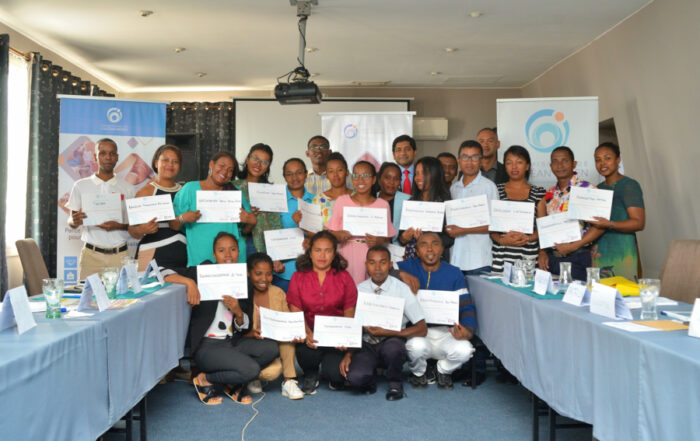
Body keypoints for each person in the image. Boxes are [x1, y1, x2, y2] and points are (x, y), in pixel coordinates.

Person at [162, 232, 279, 405]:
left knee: (271, 349)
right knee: (251, 370)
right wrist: (190, 283)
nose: (228, 255)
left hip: (232, 341)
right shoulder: (202, 273)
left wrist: (238, 312)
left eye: (233, 249)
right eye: (222, 250)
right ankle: (205, 379)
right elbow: (162, 272)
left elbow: (245, 328)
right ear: (214, 254)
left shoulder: (243, 281)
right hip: (208, 346)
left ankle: (231, 381)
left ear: (239, 252)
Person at [343, 246, 427, 401]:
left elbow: (422, 329)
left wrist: (388, 332)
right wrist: (349, 354)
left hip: (392, 341)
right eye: (372, 263)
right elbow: (352, 325)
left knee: (393, 349)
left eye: (382, 263)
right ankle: (370, 377)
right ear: (366, 265)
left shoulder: (402, 289)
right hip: (367, 343)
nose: (377, 268)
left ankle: (395, 383)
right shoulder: (359, 290)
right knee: (355, 379)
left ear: (390, 264)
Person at [397, 232, 476, 390]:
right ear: (417, 251)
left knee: (465, 350)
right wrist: (399, 273)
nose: (430, 249)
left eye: (435, 244)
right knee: (415, 347)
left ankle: (442, 370)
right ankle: (419, 372)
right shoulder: (407, 267)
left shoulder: (454, 273)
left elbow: (466, 306)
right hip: (419, 332)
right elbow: (382, 269)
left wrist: (468, 329)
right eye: (423, 245)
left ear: (442, 249)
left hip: (447, 332)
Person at [286, 231, 358, 395]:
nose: (322, 255)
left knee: (336, 377)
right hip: (310, 333)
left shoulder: (344, 277)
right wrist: (306, 332)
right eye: (318, 250)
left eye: (328, 251)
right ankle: (311, 374)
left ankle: (328, 369)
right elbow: (295, 309)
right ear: (310, 252)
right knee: (305, 352)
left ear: (334, 254)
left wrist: (345, 336)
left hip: (335, 335)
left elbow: (349, 310)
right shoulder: (298, 276)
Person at [66, 138, 135, 280]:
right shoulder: (80, 185)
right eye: (103, 153)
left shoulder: (128, 188)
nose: (108, 157)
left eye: (112, 153)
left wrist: (118, 226)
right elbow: (72, 222)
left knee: (122, 294)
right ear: (95, 157)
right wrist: (74, 221)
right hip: (91, 256)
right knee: (88, 294)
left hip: (120, 256)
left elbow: (135, 226)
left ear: (117, 157)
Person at [172, 151, 256, 266]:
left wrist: (251, 222)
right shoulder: (190, 189)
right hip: (200, 258)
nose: (225, 172)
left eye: (230, 170)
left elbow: (244, 231)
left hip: (232, 260)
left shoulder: (235, 191)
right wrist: (183, 218)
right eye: (222, 166)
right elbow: (173, 225)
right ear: (211, 164)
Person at [537, 146, 605, 281]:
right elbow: (543, 227)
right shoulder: (549, 194)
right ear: (550, 166)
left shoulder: (587, 189)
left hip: (577, 258)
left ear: (574, 164)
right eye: (555, 161)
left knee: (575, 294)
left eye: (565, 160)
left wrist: (574, 246)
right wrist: (542, 251)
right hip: (552, 259)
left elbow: (600, 226)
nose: (560, 165)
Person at [246, 252, 305, 400]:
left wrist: (294, 333)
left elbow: (287, 321)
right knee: (272, 371)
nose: (264, 279)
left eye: (268, 274)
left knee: (287, 342)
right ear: (248, 273)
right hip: (250, 346)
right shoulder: (243, 294)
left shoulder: (278, 292)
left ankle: (289, 381)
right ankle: (251, 375)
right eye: (258, 274)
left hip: (274, 343)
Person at [325, 161, 396, 284]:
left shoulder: (383, 205)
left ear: (374, 179)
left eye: (366, 176)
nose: (360, 180)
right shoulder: (342, 201)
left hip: (374, 256)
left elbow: (387, 238)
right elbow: (330, 234)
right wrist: (337, 235)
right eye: (356, 176)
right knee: (347, 289)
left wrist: (379, 241)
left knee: (372, 290)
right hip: (346, 254)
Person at [589, 142, 645, 280]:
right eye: (598, 160)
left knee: (622, 291)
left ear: (618, 159)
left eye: (607, 158)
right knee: (599, 292)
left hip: (621, 250)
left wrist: (609, 224)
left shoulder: (629, 185)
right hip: (599, 251)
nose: (602, 163)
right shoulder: (597, 189)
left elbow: (639, 223)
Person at [128, 145, 188, 271]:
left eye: (175, 161)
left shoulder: (185, 192)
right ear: (156, 163)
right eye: (165, 160)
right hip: (151, 255)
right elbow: (132, 231)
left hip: (182, 255)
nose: (170, 164)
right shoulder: (145, 192)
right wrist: (141, 229)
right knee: (149, 284)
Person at [446, 140, 499, 278]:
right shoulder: (453, 189)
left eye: (474, 157)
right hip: (455, 258)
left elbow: (495, 224)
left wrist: (463, 230)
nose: (469, 162)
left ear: (481, 161)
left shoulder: (489, 187)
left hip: (479, 260)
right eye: (465, 157)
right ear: (459, 160)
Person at [490, 145, 546, 273]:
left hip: (528, 257)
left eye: (519, 162)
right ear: (505, 166)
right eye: (509, 163)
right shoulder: (496, 190)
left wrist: (528, 238)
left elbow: (543, 229)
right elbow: (490, 227)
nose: (514, 167)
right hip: (501, 257)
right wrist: (501, 240)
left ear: (527, 166)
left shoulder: (538, 192)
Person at [272, 158, 316, 291]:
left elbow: (322, 234)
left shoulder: (316, 200)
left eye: (299, 172)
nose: (294, 178)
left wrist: (310, 237)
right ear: (284, 176)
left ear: (306, 174)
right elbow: (267, 231)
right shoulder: (275, 199)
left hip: (311, 270)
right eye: (289, 174)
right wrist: (272, 258)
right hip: (282, 271)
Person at [398, 156, 453, 260]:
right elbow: (401, 238)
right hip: (412, 260)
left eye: (423, 173)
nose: (418, 178)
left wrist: (426, 240)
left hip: (435, 261)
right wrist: (404, 238)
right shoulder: (411, 203)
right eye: (417, 173)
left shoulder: (445, 203)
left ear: (435, 175)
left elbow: (449, 239)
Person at [234, 143, 282, 258]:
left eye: (264, 162)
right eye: (255, 159)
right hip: (238, 245)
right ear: (247, 159)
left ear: (268, 167)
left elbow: (276, 225)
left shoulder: (272, 192)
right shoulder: (232, 187)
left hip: (264, 248)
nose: (258, 164)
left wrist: (277, 255)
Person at [309, 152, 352, 227]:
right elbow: (313, 229)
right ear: (327, 175)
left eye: (340, 170)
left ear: (347, 172)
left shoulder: (358, 196)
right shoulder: (318, 200)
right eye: (331, 171)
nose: (335, 175)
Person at [375, 162, 410, 244]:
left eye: (396, 179)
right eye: (387, 178)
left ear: (400, 182)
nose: (391, 182)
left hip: (398, 248)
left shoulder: (408, 200)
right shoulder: (371, 199)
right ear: (379, 180)